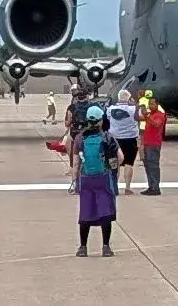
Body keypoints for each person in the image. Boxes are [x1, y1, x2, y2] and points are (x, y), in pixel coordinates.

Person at [74, 105, 120, 256]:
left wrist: (76, 180)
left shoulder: (80, 138)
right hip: (103, 177)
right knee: (105, 210)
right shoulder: (107, 137)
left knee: (85, 211)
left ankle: (83, 248)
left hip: (86, 178)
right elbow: (119, 158)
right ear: (101, 121)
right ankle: (106, 247)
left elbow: (76, 163)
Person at [105, 91, 140, 196]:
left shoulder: (110, 109)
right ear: (129, 99)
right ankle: (127, 187)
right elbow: (140, 118)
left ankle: (114, 186)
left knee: (115, 163)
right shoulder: (133, 109)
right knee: (129, 163)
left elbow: (108, 120)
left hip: (115, 138)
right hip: (130, 138)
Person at [139, 98, 168, 195]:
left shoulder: (159, 115)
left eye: (152, 104)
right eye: (149, 104)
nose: (150, 106)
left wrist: (147, 115)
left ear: (157, 104)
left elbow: (157, 124)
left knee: (153, 165)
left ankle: (155, 187)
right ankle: (151, 186)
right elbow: (137, 118)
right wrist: (137, 109)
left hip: (154, 144)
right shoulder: (150, 114)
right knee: (148, 165)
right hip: (148, 143)